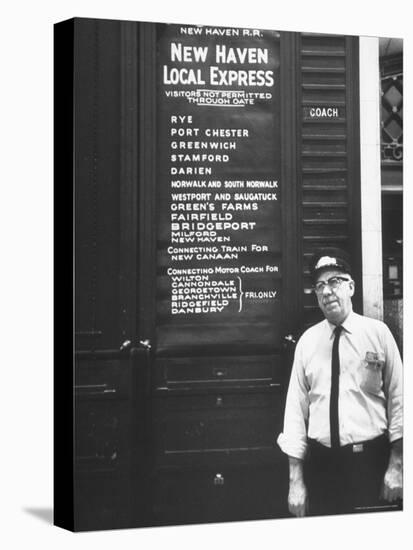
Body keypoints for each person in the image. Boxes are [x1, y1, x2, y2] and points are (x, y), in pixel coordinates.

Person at [277, 248, 403, 517]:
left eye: (334, 281)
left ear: (351, 287)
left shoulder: (378, 334)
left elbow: (400, 400)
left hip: (371, 464)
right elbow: (295, 413)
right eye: (320, 285)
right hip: (323, 468)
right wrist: (295, 481)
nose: (326, 291)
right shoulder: (307, 343)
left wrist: (398, 465)